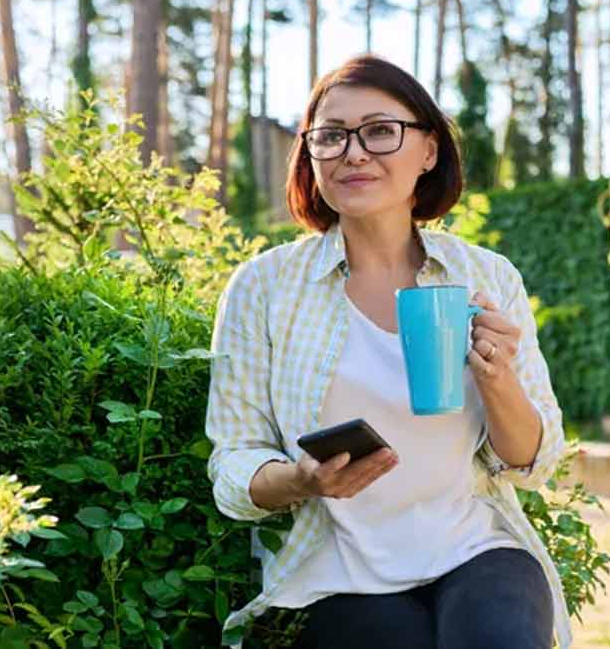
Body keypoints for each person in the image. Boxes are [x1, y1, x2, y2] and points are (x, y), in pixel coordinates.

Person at [206, 54, 570, 649]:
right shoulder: (263, 288)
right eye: (331, 136)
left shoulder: (486, 276)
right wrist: (301, 480)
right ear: (311, 156)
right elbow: (233, 463)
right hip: (332, 571)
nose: (354, 153)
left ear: (428, 150)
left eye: (380, 131)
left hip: (474, 546)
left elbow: (535, 461)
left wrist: (499, 377)